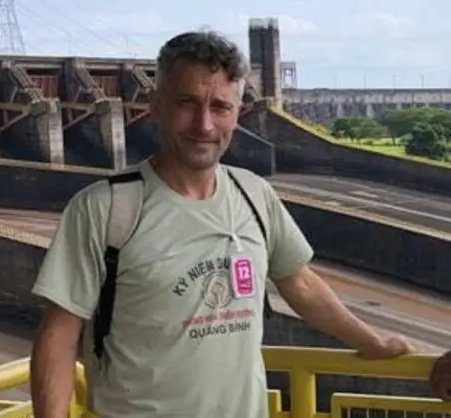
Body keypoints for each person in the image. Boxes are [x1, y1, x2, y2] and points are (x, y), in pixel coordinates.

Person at [28, 30, 415, 418]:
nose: (204, 125)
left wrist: (373, 342)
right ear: (155, 105)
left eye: (220, 107)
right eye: (187, 103)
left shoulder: (255, 194)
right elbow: (59, 334)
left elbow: (300, 283)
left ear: (237, 113)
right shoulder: (104, 209)